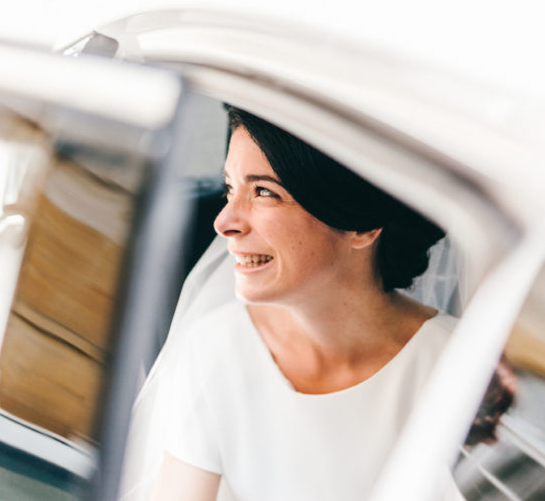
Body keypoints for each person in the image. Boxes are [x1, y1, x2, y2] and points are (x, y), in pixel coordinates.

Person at [150, 106, 466, 501]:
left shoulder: (463, 371)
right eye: (230, 188)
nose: (224, 221)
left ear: (361, 226)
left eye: (264, 192)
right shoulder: (216, 349)